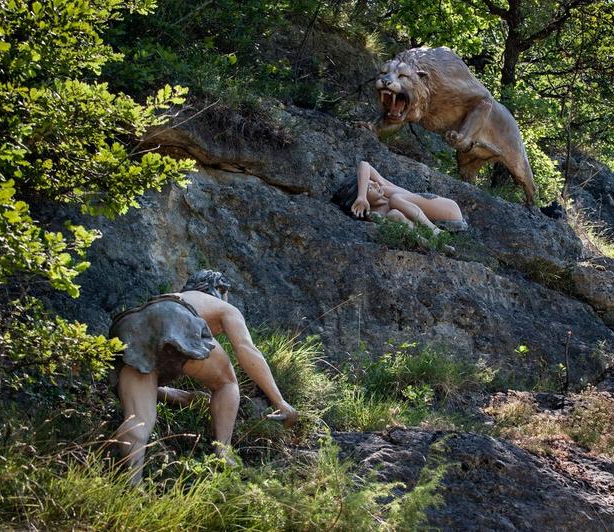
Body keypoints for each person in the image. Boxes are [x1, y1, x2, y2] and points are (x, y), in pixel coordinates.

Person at [113, 270, 296, 483]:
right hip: (178, 315)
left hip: (130, 324)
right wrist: (279, 401)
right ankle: (224, 452)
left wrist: (184, 397)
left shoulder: (173, 296)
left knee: (138, 420)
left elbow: (147, 382)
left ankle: (132, 487)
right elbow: (247, 349)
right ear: (220, 289)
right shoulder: (221, 305)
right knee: (226, 383)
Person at [334, 161, 468, 234]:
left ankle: (435, 231)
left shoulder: (385, 189)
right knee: (394, 212)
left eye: (370, 183)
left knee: (395, 199)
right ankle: (434, 234)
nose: (375, 184)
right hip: (443, 224)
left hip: (450, 211)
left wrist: (362, 195)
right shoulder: (378, 213)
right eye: (369, 187)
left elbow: (364, 165)